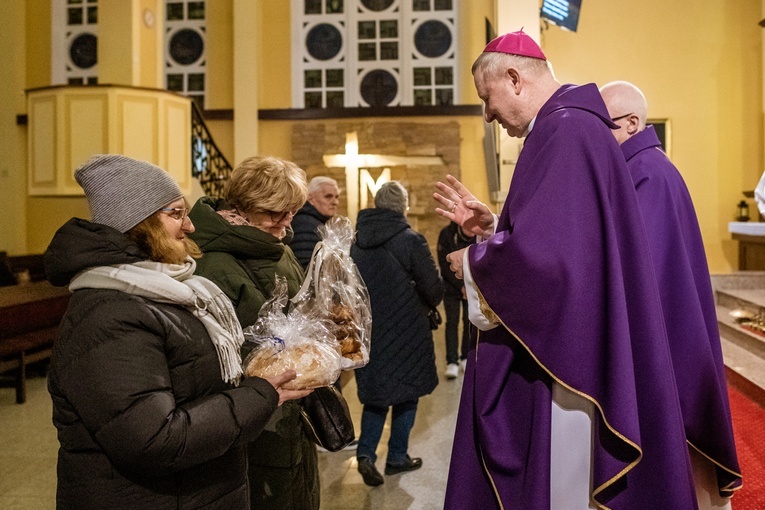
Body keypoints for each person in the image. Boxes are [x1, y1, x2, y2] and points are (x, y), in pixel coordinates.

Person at [433, 31, 699, 509]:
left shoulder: (565, 129)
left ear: (514, 79)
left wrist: (472, 264)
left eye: (486, 99)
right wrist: (494, 227)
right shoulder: (571, 126)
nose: (488, 115)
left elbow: (552, 265)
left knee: (565, 486)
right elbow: (570, 240)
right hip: (577, 338)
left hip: (572, 359)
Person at [44, 154, 310, 510]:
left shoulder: (171, 290)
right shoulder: (110, 314)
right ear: (138, 223)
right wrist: (260, 394)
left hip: (194, 489)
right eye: (175, 214)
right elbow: (155, 439)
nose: (190, 226)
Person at [600, 80, 742, 506]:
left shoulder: (647, 173)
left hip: (666, 338)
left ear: (631, 123)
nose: (596, 137)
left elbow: (635, 267)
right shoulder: (641, 167)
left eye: (603, 125)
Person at [186, 155, 320, 510]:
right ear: (242, 206)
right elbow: (216, 350)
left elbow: (299, 306)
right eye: (276, 212)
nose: (286, 222)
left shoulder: (278, 246)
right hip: (250, 411)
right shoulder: (213, 262)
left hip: (288, 405)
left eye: (292, 211)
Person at [350, 181, 444, 486]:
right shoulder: (411, 241)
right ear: (403, 207)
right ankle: (397, 457)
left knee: (377, 396)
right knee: (407, 393)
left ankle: (365, 454)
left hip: (371, 330)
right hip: (407, 331)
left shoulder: (356, 242)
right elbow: (433, 289)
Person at [436, 221, 475, 378]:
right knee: (452, 322)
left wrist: (469, 285)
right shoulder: (446, 234)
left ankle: (466, 357)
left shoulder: (478, 235)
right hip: (451, 287)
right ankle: (452, 361)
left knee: (469, 321)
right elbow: (444, 265)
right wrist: (461, 285)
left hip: (471, 286)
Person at [290, 176, 341, 269]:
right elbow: (306, 266)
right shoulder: (305, 224)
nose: (335, 202)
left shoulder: (315, 221)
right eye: (328, 196)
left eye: (336, 197)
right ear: (310, 198)